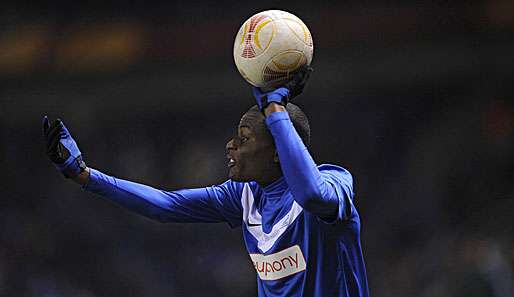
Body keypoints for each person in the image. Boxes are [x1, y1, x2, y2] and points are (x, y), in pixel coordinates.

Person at [42, 67, 370, 297]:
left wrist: (274, 110)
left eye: (243, 138)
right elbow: (166, 206)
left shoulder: (334, 182)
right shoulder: (243, 197)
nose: (230, 146)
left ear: (277, 150)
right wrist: (85, 175)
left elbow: (311, 195)